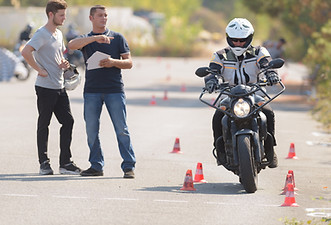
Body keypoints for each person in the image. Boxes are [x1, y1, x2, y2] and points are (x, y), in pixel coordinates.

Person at [68, 5, 136, 178]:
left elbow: (129, 63)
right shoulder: (86, 39)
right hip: (92, 91)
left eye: (105, 15)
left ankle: (129, 166)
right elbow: (71, 45)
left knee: (121, 129)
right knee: (91, 130)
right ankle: (96, 166)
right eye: (100, 15)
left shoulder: (117, 37)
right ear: (91, 18)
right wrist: (95, 39)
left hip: (114, 90)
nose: (104, 18)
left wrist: (114, 62)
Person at [204, 18, 280, 168]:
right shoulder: (220, 55)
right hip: (229, 95)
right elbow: (212, 71)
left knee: (269, 113)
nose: (238, 43)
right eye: (234, 40)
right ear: (228, 38)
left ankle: (270, 150)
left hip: (255, 93)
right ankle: (220, 153)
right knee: (217, 117)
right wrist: (211, 81)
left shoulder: (259, 51)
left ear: (249, 38)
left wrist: (271, 73)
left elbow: (267, 64)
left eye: (242, 40)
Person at [21, 0, 81, 175]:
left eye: (65, 15)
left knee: (68, 121)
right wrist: (39, 70)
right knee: (44, 124)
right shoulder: (42, 34)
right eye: (61, 15)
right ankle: (44, 164)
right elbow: (25, 51)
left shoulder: (58, 34)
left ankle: (65, 163)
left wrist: (64, 64)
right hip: (45, 87)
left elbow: (58, 55)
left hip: (59, 85)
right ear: (51, 14)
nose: (64, 18)